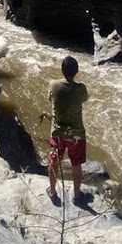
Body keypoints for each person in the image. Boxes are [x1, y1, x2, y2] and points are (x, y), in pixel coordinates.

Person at [47, 55, 89, 206]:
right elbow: (85, 99)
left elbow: (50, 99)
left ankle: (52, 192)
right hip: (76, 134)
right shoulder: (81, 89)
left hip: (57, 132)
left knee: (54, 160)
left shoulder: (53, 85)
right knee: (76, 164)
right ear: (76, 71)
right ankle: (77, 196)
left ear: (62, 70)